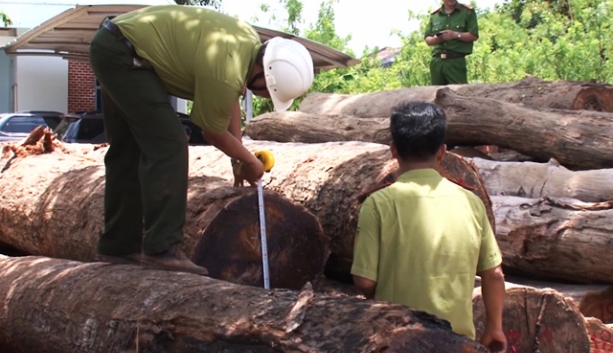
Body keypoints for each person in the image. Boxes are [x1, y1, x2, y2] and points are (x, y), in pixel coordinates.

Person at [89, 5, 314, 275]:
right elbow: (212, 132)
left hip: (114, 43)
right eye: (269, 93)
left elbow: (229, 101)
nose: (266, 98)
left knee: (128, 149)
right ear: (264, 77)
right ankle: (162, 249)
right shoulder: (225, 72)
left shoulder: (243, 45)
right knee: (169, 143)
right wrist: (250, 163)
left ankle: (117, 247)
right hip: (124, 54)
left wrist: (238, 156)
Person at [351, 102, 506, 352]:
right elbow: (494, 274)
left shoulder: (377, 204)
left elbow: (364, 281)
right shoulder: (471, 202)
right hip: (457, 343)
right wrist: (494, 328)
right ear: (443, 152)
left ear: (393, 151)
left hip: (397, 342)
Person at [424, 0, 479, 85]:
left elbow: (474, 35)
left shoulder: (467, 12)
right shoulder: (435, 15)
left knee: (458, 93)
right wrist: (436, 39)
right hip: (437, 62)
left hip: (455, 61)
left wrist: (456, 35)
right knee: (437, 94)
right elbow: (428, 40)